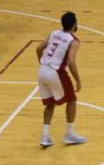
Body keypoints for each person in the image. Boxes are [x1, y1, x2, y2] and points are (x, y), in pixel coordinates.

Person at [36, 12, 86, 147]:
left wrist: (42, 64)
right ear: (75, 24)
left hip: (42, 70)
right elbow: (71, 62)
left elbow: (39, 49)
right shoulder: (73, 40)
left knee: (50, 104)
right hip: (56, 72)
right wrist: (78, 80)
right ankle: (69, 134)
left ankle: (45, 137)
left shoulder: (54, 33)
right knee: (72, 100)